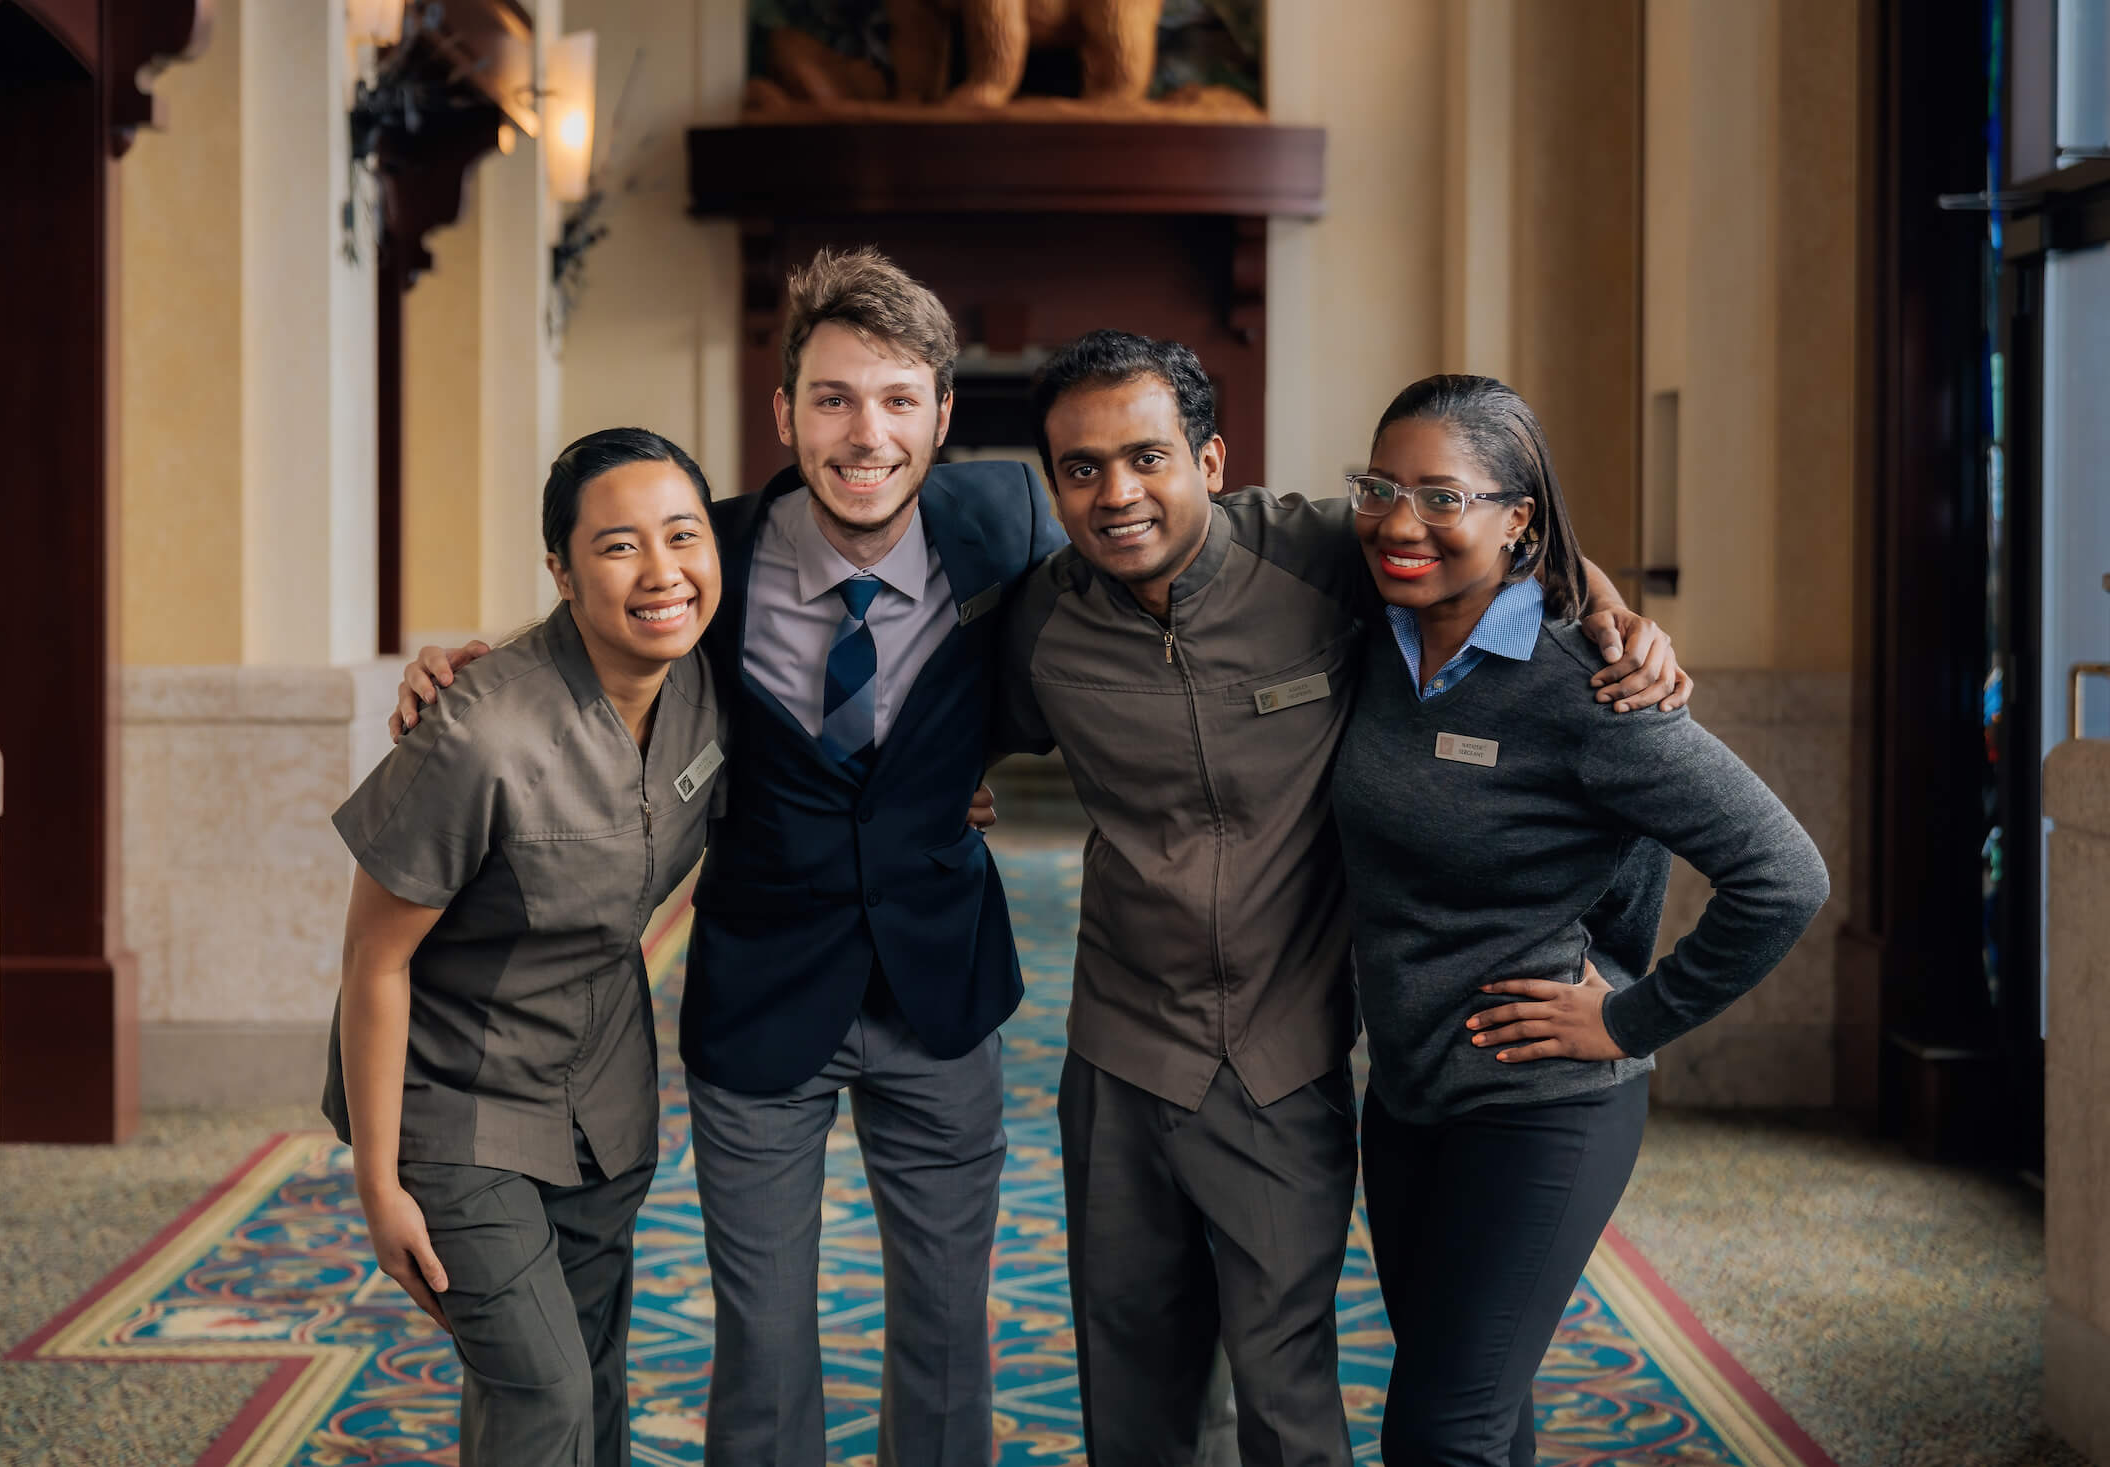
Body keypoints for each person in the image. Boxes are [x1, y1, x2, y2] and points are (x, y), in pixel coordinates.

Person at [390, 247, 1067, 1467]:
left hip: (942, 984)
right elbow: (599, 624)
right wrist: (462, 663)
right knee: (761, 1337)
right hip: (762, 990)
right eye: (833, 398)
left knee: (950, 1331)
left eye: (899, 399)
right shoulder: (717, 556)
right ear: (783, 411)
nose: (867, 433)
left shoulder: (1007, 521)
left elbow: (1155, 556)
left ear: (943, 415)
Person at [992, 332, 1691, 1466]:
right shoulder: (1041, 618)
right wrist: (958, 791)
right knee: (1130, 1376)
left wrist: (1608, 612)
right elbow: (942, 733)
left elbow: (1501, 549)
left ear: (1209, 461)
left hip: (1283, 1052)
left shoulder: (1322, 554)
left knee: (1286, 1384)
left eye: (1145, 457)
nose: (1116, 494)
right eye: (1080, 468)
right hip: (1119, 1048)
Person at [1330, 374, 1829, 1467]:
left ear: (1517, 520)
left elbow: (1784, 875)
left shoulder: (1591, 687)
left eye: (1443, 497)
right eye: (1379, 488)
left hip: (1541, 1108)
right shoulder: (1374, 625)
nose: (1400, 522)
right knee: (1476, 1410)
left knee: (1435, 1435)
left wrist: (1632, 1020)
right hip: (1409, 1096)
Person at [325, 428, 729, 1467]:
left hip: (602, 1094)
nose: (661, 572)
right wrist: (379, 1185)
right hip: (456, 1108)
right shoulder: (479, 730)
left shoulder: (708, 684)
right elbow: (375, 960)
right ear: (560, 567)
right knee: (543, 1390)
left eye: (683, 535)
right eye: (616, 546)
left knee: (586, 1380)